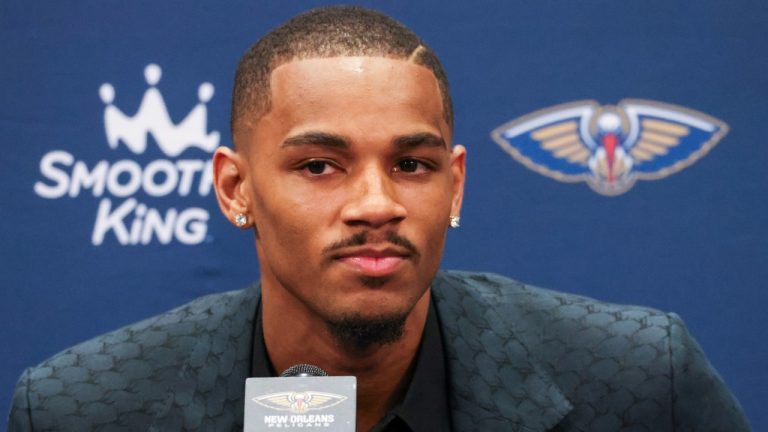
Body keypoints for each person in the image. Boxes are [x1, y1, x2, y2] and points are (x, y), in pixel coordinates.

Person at [8, 6, 750, 432]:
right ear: (235, 189)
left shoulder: (642, 382)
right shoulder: (84, 409)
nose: (375, 205)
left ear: (455, 186)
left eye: (412, 165)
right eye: (320, 166)